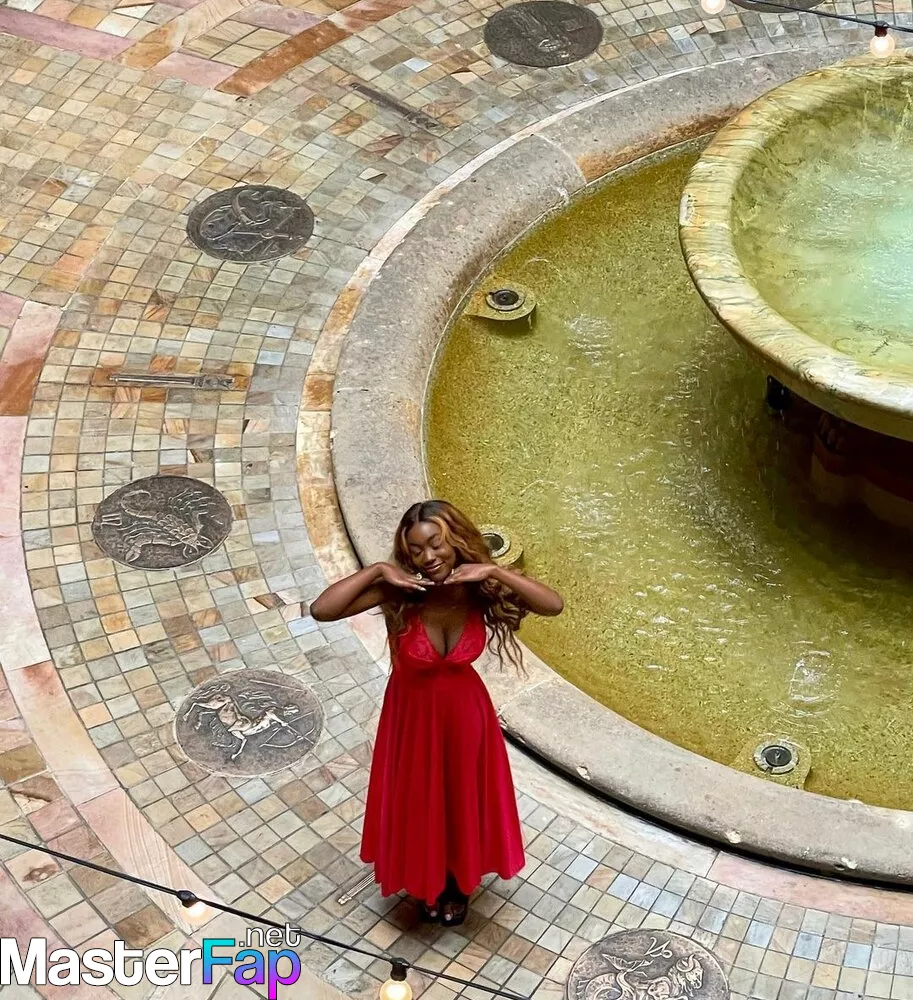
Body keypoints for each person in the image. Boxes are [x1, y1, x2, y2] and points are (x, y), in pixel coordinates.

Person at [309, 500, 563, 925]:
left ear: (456, 541)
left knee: (459, 802)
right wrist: (378, 570)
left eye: (436, 544)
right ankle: (426, 881)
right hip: (412, 718)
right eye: (415, 550)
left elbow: (552, 605)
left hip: (466, 717)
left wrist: (494, 571)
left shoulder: (477, 588)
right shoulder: (401, 591)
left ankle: (456, 884)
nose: (427, 557)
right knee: (421, 802)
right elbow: (323, 610)